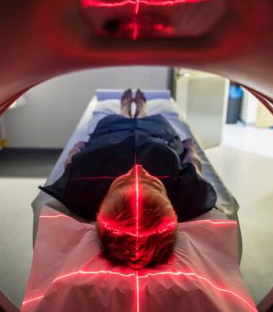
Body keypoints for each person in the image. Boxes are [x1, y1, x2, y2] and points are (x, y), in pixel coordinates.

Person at [40, 89, 217, 269]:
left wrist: (74, 152)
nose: (137, 169)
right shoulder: (186, 196)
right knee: (155, 122)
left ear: (102, 205)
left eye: (123, 182)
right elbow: (194, 164)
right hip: (156, 140)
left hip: (108, 141)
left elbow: (71, 163)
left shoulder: (82, 188)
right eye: (152, 184)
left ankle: (125, 109)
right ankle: (142, 110)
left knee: (111, 123)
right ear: (171, 207)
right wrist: (192, 150)